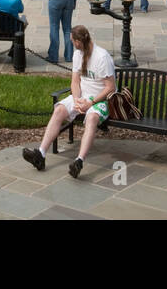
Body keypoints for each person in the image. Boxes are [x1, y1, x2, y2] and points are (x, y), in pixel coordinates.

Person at [21, 25, 115, 179]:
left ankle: (79, 161)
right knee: (59, 110)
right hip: (82, 96)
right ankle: (41, 154)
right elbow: (75, 82)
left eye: (72, 41)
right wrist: (77, 100)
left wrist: (90, 104)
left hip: (101, 99)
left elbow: (110, 88)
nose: (72, 44)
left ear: (78, 41)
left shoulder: (102, 57)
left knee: (91, 119)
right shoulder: (78, 54)